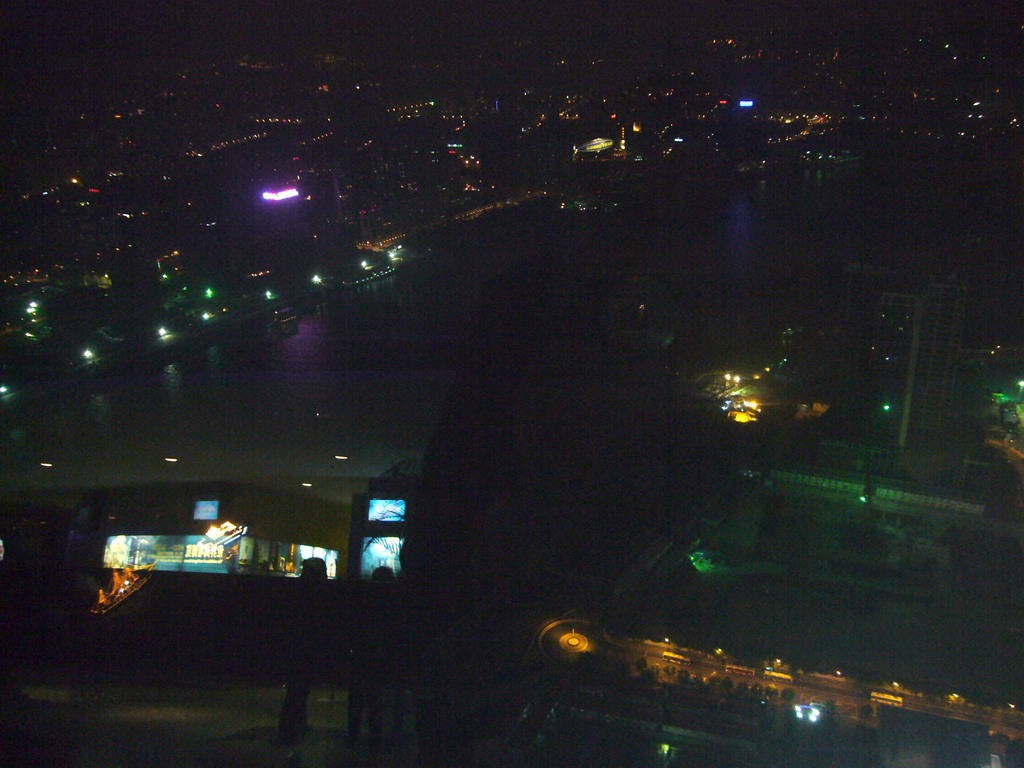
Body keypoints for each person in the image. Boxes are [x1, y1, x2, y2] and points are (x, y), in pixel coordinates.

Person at [277, 557, 328, 745]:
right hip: (305, 646)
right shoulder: (319, 593)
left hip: (294, 645)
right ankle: (291, 728)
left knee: (295, 689)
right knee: (299, 689)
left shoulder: (295, 591)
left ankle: (291, 727)